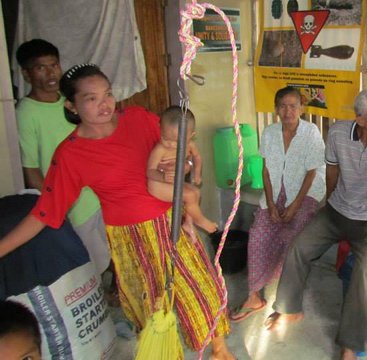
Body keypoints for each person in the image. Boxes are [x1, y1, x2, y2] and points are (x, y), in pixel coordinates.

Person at [0, 64, 234, 360]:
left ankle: (219, 350)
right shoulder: (71, 154)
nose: (105, 104)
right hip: (130, 241)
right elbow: (44, 214)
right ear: (71, 105)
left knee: (201, 289)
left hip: (170, 222)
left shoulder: (139, 119)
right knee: (150, 312)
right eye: (91, 98)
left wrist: (182, 168)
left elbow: (181, 154)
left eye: (107, 94)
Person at [264, 87, 367, 360]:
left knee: (363, 270)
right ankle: (289, 308)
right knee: (300, 246)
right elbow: (332, 169)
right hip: (338, 209)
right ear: (361, 119)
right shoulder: (339, 133)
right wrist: (329, 204)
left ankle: (350, 345)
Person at [229, 86, 325, 322]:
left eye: (293, 106)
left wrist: (293, 206)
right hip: (277, 190)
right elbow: (266, 170)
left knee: (292, 236)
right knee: (259, 232)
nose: (288, 111)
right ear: (276, 110)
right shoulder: (270, 133)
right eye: (283, 106)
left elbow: (312, 173)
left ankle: (287, 303)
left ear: (301, 108)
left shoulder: (311, 132)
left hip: (306, 190)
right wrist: (271, 204)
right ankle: (254, 297)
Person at [14, 39, 110, 274]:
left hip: (100, 192)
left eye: (54, 65)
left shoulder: (71, 103)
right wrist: (58, 203)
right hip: (71, 201)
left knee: (114, 251)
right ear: (26, 75)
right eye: (40, 67)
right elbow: (31, 169)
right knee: (90, 263)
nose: (50, 73)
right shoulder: (25, 113)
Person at [147, 105, 217, 238]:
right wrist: (162, 176)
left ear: (191, 136)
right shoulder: (160, 149)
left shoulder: (190, 145)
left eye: (177, 142)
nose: (171, 145)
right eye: (165, 138)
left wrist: (197, 174)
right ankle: (200, 220)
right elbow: (149, 171)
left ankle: (188, 222)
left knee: (196, 192)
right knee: (189, 196)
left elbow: (197, 157)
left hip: (175, 182)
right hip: (158, 185)